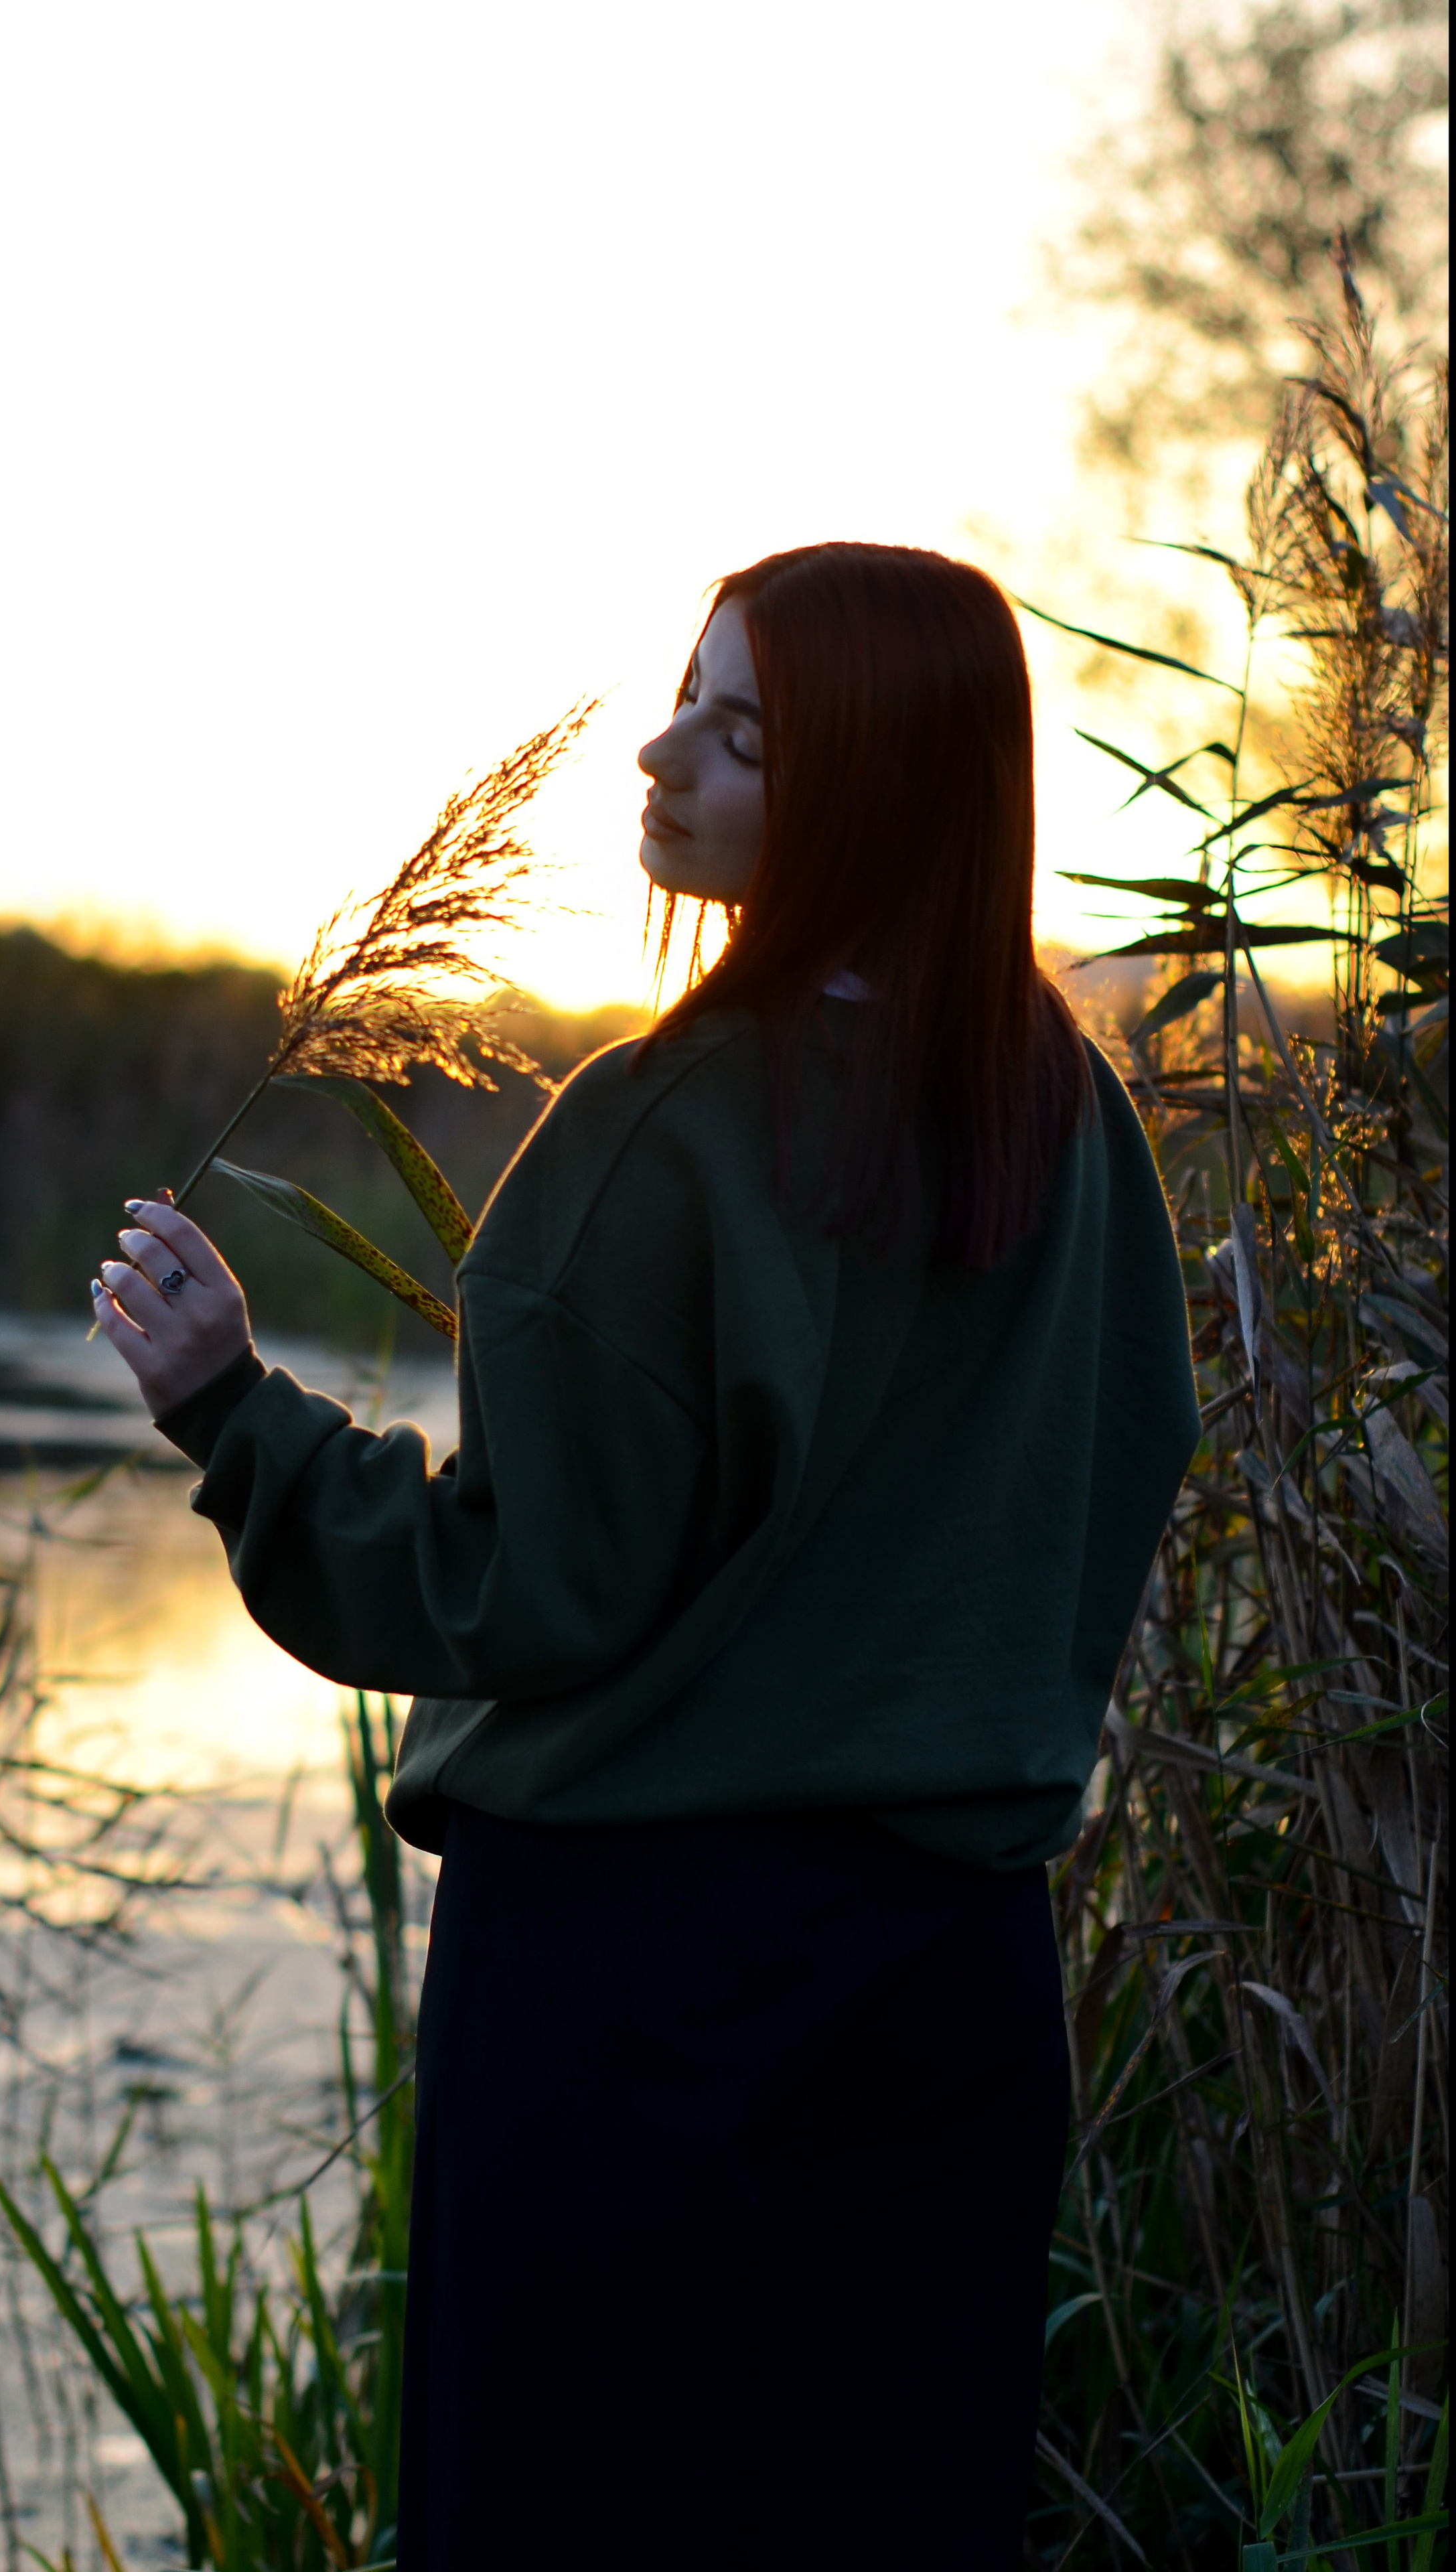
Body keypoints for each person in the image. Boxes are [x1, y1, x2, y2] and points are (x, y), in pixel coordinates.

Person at [92, 542, 1200, 2569]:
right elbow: (1124, 1478)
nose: (659, 756)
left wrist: (228, 1412)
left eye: (742, 732)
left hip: (634, 1989)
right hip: (957, 1991)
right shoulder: (1077, 1128)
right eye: (685, 694)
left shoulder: (658, 1130)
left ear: (877, 786)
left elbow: (508, 1594)